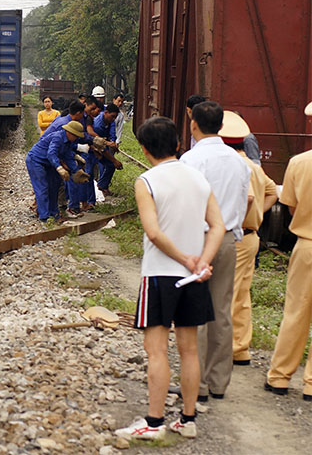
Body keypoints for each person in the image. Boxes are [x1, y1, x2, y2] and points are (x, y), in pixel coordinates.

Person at [115, 116, 224, 441]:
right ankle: (187, 420)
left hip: (160, 275)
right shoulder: (199, 179)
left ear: (145, 150)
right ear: (178, 144)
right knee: (189, 350)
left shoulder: (147, 181)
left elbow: (153, 232)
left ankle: (153, 422)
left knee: (157, 350)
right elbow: (217, 226)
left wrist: (184, 259)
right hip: (194, 279)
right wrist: (201, 262)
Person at [178, 100, 250, 401]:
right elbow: (244, 202)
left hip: (199, 239)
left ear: (193, 123)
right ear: (221, 127)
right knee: (222, 310)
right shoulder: (239, 162)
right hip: (229, 240)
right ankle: (218, 382)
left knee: (195, 310)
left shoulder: (191, 161)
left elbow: (184, 205)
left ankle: (198, 384)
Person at [218, 111, 277, 366]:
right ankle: (240, 348)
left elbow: (250, 197)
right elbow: (272, 193)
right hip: (251, 236)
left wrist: (240, 215)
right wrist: (256, 216)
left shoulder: (235, 165)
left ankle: (223, 349)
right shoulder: (253, 166)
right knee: (242, 294)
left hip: (236, 236)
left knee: (227, 293)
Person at [264, 100, 312, 401]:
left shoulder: (299, 163)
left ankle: (280, 377)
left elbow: (291, 207)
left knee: (296, 312)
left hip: (306, 246)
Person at [26, 120, 87, 222]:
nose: (76, 138)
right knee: (43, 188)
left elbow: (67, 156)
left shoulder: (68, 142)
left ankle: (54, 214)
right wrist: (59, 168)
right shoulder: (58, 137)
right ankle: (44, 217)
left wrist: (76, 171)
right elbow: (51, 154)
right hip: (36, 161)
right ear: (70, 133)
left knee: (54, 187)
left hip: (49, 163)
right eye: (76, 136)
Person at [66, 96, 103, 217]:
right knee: (76, 177)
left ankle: (76, 204)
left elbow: (82, 135)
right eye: (91, 109)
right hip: (71, 149)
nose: (93, 112)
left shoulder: (85, 118)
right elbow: (79, 136)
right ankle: (75, 205)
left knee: (81, 176)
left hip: (76, 149)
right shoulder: (71, 120)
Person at [94, 103, 124, 196]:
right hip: (94, 148)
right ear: (106, 113)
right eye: (112, 116)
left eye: (115, 117)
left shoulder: (109, 120)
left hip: (102, 145)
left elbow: (112, 133)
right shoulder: (98, 125)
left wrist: (113, 142)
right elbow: (100, 146)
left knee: (110, 165)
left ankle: (102, 186)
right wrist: (114, 160)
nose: (114, 119)